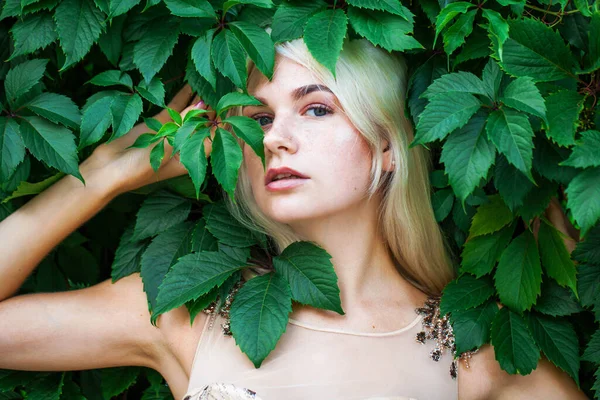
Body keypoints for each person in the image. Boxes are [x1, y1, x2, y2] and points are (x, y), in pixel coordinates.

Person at [0, 36, 586, 400]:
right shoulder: (180, 316)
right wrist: (106, 175)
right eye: (256, 119)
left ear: (386, 147)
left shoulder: (472, 350)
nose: (276, 138)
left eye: (315, 108)